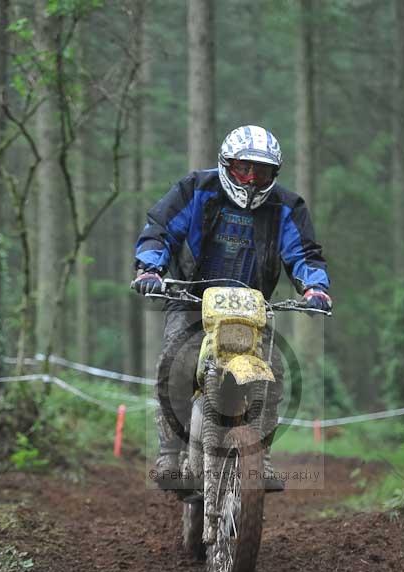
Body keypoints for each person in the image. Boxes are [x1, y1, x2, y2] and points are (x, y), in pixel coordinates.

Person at [132, 124, 332, 492]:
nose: (253, 179)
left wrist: (314, 288)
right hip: (191, 298)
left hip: (250, 307)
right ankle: (169, 453)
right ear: (227, 165)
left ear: (276, 173)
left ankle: (262, 456)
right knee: (175, 363)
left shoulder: (286, 206)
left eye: (263, 171)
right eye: (244, 169)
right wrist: (150, 268)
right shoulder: (195, 189)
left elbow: (303, 253)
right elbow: (160, 229)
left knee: (271, 375)